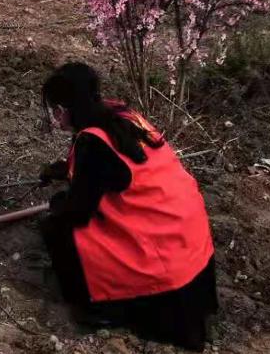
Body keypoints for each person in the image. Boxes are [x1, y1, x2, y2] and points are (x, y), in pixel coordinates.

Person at [38, 62, 217, 351]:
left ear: (64, 108)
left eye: (55, 112)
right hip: (191, 245)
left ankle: (96, 311)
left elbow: (78, 212)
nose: (55, 119)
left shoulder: (93, 143)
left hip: (167, 268)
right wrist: (61, 170)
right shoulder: (122, 115)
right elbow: (115, 169)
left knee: (58, 229)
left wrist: (58, 206)